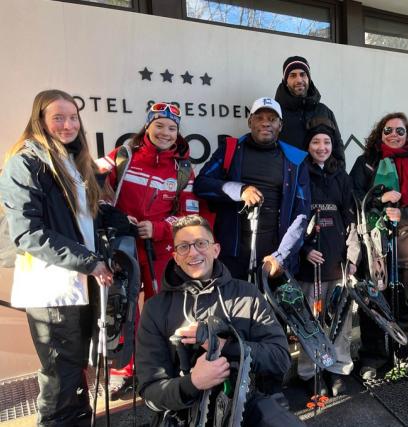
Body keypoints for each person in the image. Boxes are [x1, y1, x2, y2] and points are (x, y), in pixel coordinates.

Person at [0, 89, 113, 426]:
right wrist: (90, 262)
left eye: (73, 117)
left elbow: (85, 218)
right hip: (51, 290)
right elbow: (27, 233)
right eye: (58, 118)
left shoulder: (72, 161)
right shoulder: (26, 162)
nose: (68, 125)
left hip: (78, 286)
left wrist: (124, 224)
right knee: (60, 382)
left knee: (75, 374)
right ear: (40, 121)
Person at [136, 214, 303, 426]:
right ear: (176, 256)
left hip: (247, 403)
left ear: (216, 250)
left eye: (200, 243)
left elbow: (280, 359)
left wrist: (225, 346)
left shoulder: (248, 294)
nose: (193, 252)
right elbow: (151, 393)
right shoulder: (155, 308)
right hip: (184, 413)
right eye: (184, 247)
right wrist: (193, 383)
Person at [96, 102, 199, 397]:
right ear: (147, 127)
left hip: (160, 250)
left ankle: (159, 365)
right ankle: (122, 369)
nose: (165, 133)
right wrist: (114, 217)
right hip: (122, 247)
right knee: (123, 309)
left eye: (172, 128)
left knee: (162, 309)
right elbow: (91, 184)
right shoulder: (123, 156)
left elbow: (190, 214)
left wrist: (160, 228)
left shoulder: (183, 169)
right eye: (159, 126)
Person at [194, 97, 310, 280]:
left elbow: (301, 215)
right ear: (250, 122)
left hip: (274, 260)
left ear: (280, 125)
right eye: (259, 118)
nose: (265, 123)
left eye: (272, 119)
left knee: (270, 309)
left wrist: (281, 257)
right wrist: (239, 191)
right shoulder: (230, 149)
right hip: (231, 258)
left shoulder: (295, 160)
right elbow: (201, 185)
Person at [349, 112, 408, 380]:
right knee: (373, 300)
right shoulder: (366, 162)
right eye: (387, 130)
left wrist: (403, 214)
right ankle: (372, 357)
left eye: (400, 130)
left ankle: (403, 356)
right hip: (374, 242)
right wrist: (379, 198)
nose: (393, 134)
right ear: (379, 134)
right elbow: (353, 196)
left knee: (402, 302)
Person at [296, 121, 360, 397]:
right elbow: (291, 219)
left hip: (337, 263)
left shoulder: (341, 177)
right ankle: (310, 371)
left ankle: (338, 368)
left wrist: (353, 256)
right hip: (309, 265)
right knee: (310, 321)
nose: (322, 148)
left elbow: (352, 221)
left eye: (327, 143)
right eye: (315, 143)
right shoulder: (299, 174)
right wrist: (303, 250)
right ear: (308, 147)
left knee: (340, 319)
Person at [274, 55, 345, 164]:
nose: (299, 80)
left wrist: (334, 175)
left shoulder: (324, 111)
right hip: (289, 178)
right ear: (285, 81)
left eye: (303, 74)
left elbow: (337, 148)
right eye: (293, 75)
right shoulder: (276, 112)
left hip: (319, 179)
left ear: (309, 78)